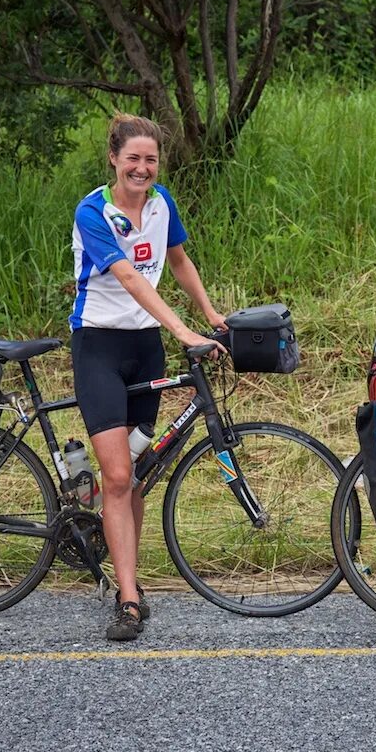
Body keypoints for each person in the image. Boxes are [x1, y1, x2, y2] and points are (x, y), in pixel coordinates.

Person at [70, 113, 226, 640]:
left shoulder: (162, 205)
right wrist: (184, 332)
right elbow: (131, 278)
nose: (142, 168)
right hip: (98, 347)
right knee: (117, 477)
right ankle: (129, 599)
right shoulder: (94, 211)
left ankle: (123, 573)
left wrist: (209, 315)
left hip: (145, 348)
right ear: (113, 158)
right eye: (132, 158)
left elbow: (179, 260)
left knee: (134, 475)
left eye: (151, 159)